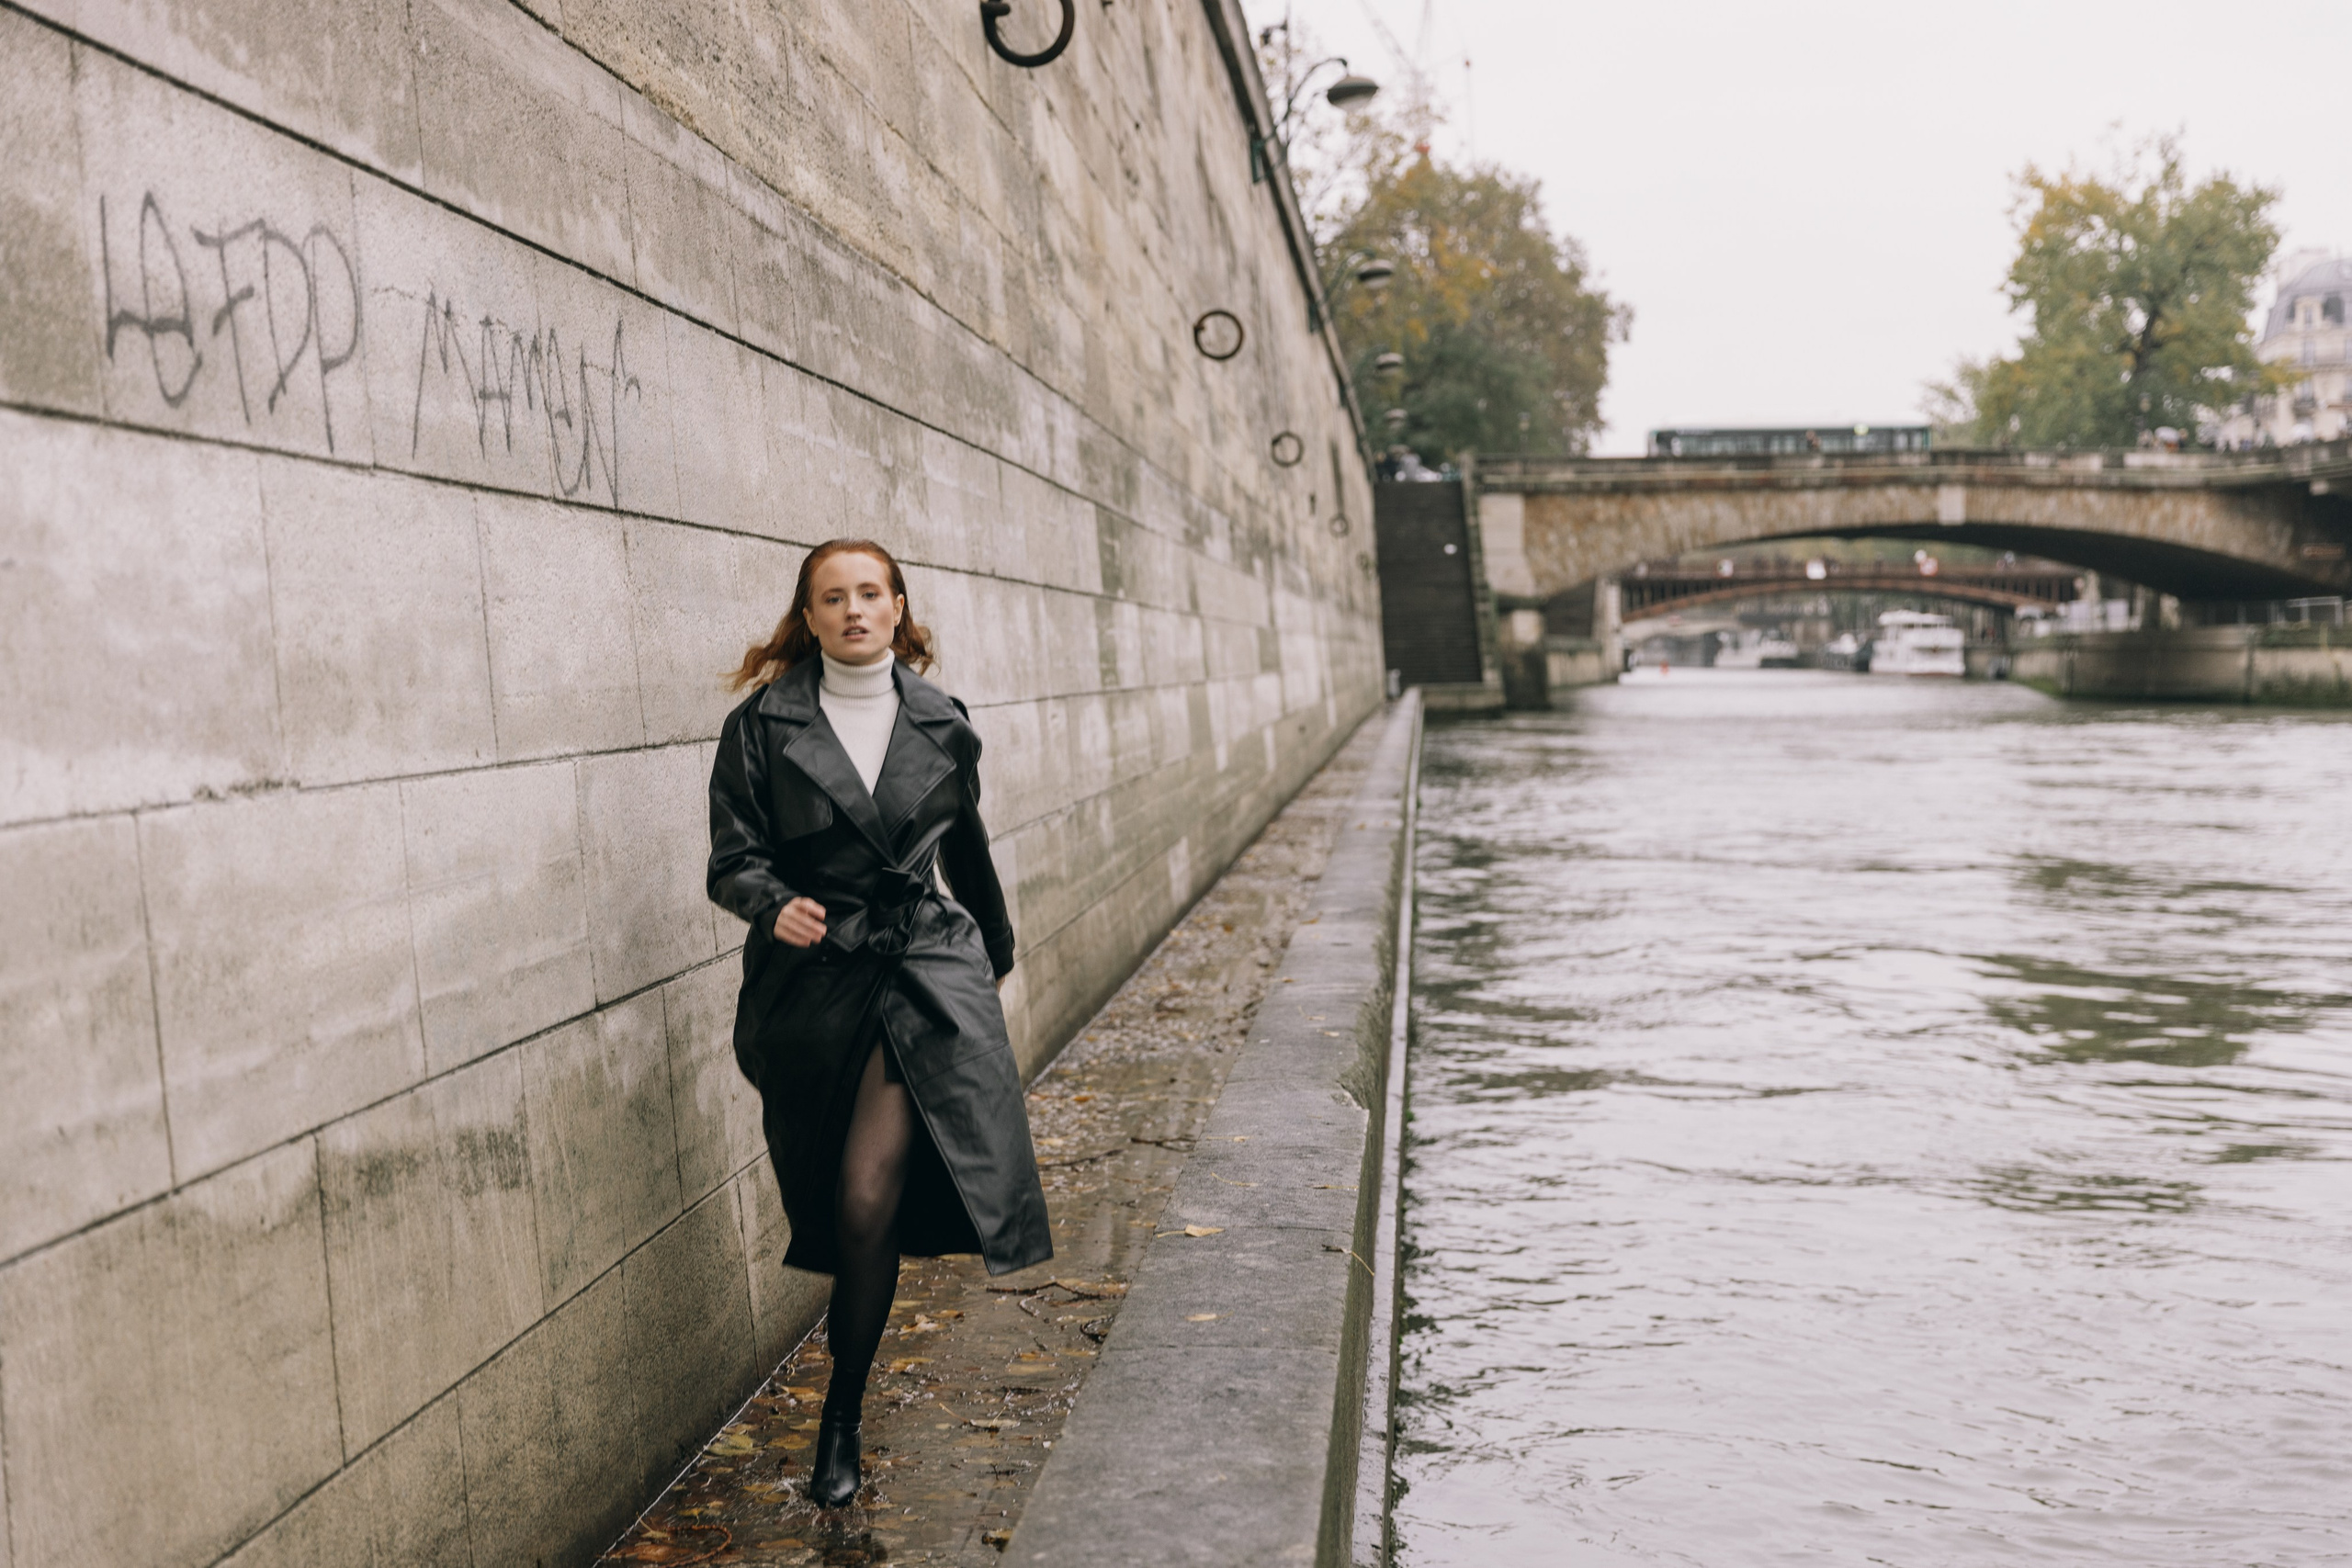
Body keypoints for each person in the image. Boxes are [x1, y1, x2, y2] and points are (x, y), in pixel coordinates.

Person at [707, 539, 1052, 1506]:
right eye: (832, 597)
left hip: (922, 965)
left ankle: (842, 1415)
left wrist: (992, 954)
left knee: (866, 1202)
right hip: (813, 983)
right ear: (807, 618)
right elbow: (730, 857)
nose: (853, 609)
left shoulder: (945, 722)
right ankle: (847, 1404)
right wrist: (771, 902)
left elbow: (967, 848)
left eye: (870, 592)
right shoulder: (763, 726)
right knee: (835, 1196)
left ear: (898, 607)